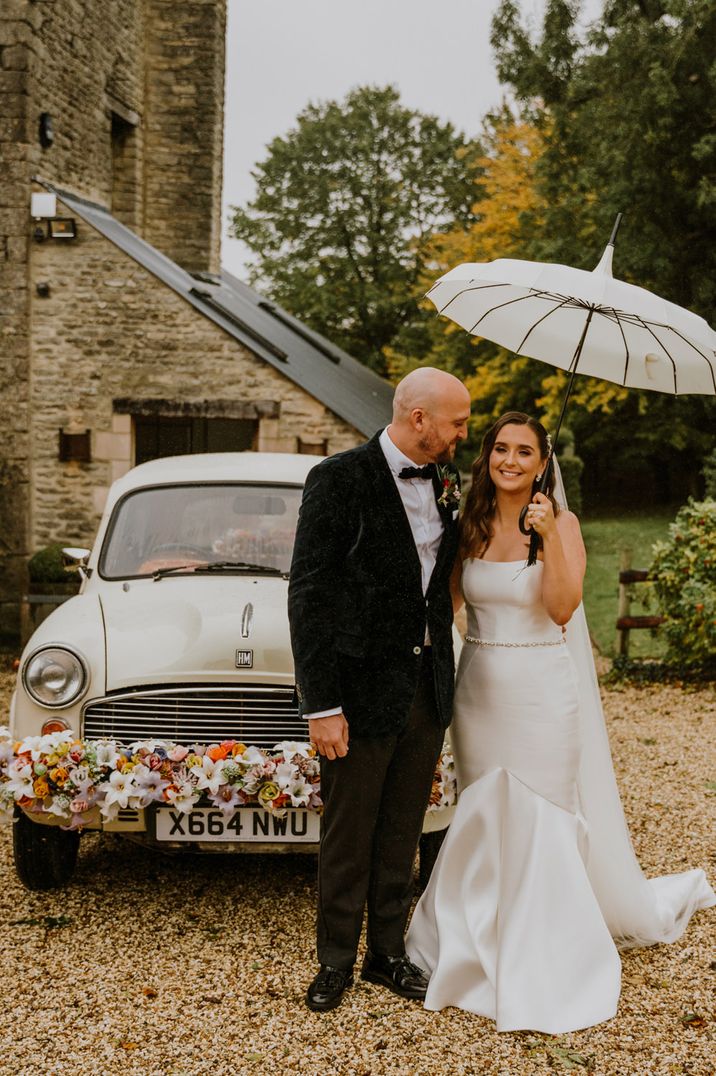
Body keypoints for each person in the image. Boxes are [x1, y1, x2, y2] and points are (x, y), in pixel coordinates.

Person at [406, 411, 715, 1034]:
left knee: (540, 811)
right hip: (480, 689)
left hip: (542, 690)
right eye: (500, 449)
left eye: (524, 451)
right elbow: (451, 604)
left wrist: (546, 538)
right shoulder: (469, 519)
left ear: (543, 463)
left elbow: (564, 606)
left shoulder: (560, 522)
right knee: (483, 807)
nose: (510, 460)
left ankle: (545, 949)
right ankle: (471, 940)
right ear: (487, 456)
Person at [287, 367, 471, 1012]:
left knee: (401, 831)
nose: (463, 434)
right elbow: (308, 595)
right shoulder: (338, 478)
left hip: (425, 689)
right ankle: (334, 960)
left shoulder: (448, 482)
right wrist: (323, 705)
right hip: (356, 695)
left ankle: (386, 956)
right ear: (418, 417)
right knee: (348, 834)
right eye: (458, 422)